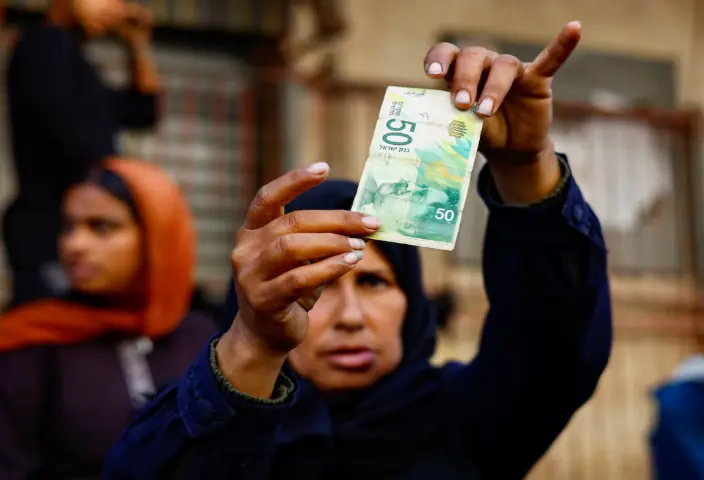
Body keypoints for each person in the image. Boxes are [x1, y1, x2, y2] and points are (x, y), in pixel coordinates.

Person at [103, 21, 613, 479]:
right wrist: (253, 346)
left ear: (412, 301)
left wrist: (526, 167)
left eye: (372, 281)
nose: (350, 317)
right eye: (314, 289)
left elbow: (556, 340)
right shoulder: (198, 421)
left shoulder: (466, 422)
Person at [0, 159, 217, 479]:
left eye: (101, 227)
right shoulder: (28, 345)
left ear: (158, 236)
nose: (74, 245)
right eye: (69, 226)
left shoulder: (203, 339)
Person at [3, 0, 163, 308]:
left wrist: (137, 44)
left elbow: (143, 111)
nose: (115, 9)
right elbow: (72, 137)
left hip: (74, 224)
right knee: (48, 326)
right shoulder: (45, 44)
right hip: (49, 226)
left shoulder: (78, 65)